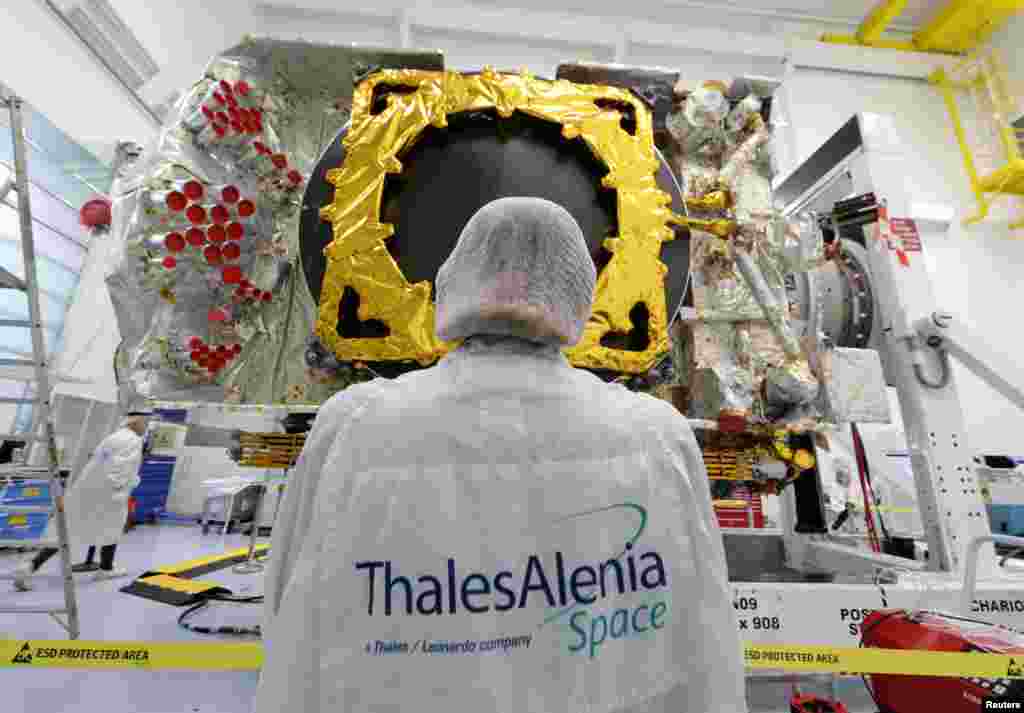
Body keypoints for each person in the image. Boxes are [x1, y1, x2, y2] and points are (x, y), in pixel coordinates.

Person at [256, 198, 748, 713]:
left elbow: (289, 607)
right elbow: (704, 632)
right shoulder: (657, 434)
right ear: (580, 293)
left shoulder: (354, 424)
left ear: (455, 280)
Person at [13, 410, 149, 591]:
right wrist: (125, 488)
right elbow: (121, 469)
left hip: (86, 491)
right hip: (110, 494)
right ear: (135, 423)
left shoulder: (113, 438)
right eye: (144, 423)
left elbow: (98, 462)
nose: (145, 427)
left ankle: (31, 565)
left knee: (70, 530)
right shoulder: (133, 440)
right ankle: (106, 569)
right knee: (112, 527)